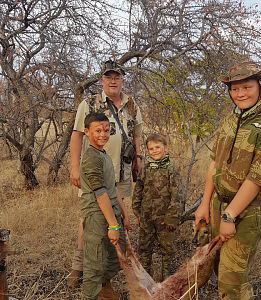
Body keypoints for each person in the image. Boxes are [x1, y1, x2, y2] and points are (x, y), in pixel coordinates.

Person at [194, 61, 261, 300]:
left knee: (231, 281)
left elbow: (258, 178)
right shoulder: (231, 119)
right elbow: (214, 163)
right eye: (234, 89)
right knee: (217, 269)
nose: (240, 94)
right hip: (218, 205)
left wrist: (230, 215)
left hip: (247, 212)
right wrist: (205, 204)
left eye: (246, 87)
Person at [68, 59, 143, 298]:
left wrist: (138, 159)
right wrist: (74, 167)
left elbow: (137, 134)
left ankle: (104, 278)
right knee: (91, 220)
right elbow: (77, 134)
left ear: (122, 80)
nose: (113, 81)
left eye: (117, 77)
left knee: (115, 214)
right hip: (95, 172)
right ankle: (80, 267)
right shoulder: (89, 103)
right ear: (102, 80)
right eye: (108, 77)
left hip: (120, 171)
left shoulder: (131, 104)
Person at [80, 112, 129, 300]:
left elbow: (112, 187)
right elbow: (100, 194)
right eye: (98, 130)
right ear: (86, 132)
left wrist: (124, 214)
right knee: (95, 263)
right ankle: (92, 294)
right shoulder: (91, 157)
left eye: (107, 130)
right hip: (97, 217)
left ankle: (104, 289)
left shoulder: (103, 154)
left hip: (111, 214)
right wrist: (113, 225)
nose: (103, 134)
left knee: (115, 256)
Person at [132, 133, 183, 281]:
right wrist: (138, 213)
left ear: (165, 148)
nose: (154, 151)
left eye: (158, 147)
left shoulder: (171, 170)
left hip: (164, 219)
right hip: (146, 217)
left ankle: (165, 278)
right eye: (151, 149)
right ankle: (145, 278)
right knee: (144, 247)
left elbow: (177, 196)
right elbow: (138, 191)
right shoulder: (146, 169)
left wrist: (171, 219)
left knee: (166, 249)